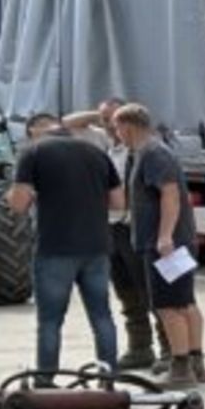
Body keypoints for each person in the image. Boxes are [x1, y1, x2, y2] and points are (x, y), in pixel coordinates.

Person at [5, 118, 122, 377]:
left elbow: (18, 204)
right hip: (96, 247)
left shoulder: (33, 152)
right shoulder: (97, 153)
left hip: (54, 248)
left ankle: (46, 381)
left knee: (50, 321)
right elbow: (118, 201)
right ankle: (108, 376)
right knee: (102, 316)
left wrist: (24, 195)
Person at [64, 96, 163, 371]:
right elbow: (66, 124)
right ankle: (140, 348)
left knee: (150, 291)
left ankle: (169, 351)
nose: (108, 125)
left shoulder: (143, 150)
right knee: (126, 292)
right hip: (111, 228)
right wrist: (98, 117)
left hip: (136, 229)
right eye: (104, 120)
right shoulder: (106, 145)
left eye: (113, 120)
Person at [113, 102, 205, 388]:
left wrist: (164, 237)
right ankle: (195, 363)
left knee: (169, 307)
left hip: (165, 244)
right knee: (186, 302)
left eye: (116, 127)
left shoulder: (153, 153)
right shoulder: (147, 152)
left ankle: (181, 370)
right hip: (171, 242)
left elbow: (171, 195)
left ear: (127, 126)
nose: (115, 133)